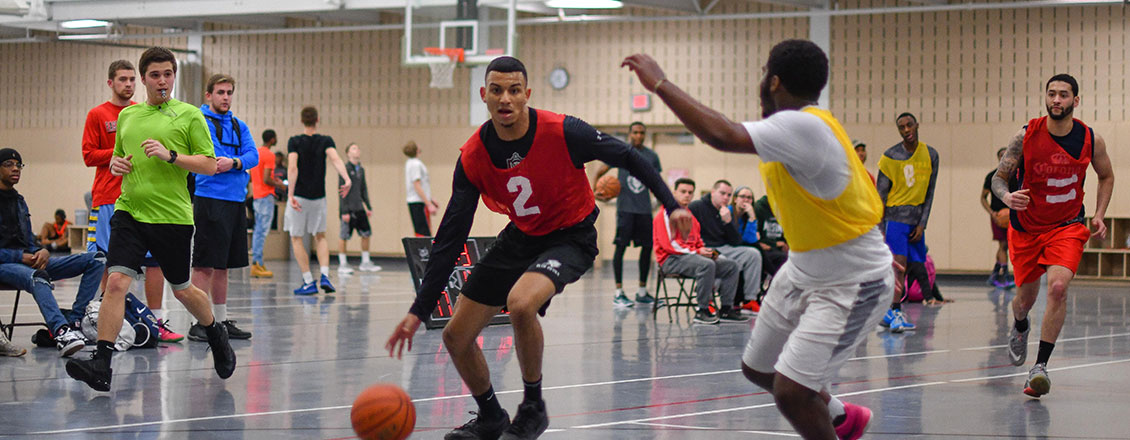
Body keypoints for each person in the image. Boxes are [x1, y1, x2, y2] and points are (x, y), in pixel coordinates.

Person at [385, 56, 690, 440]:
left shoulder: (564, 131)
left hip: (571, 235)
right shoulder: (473, 156)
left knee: (521, 302)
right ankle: (491, 416)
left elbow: (627, 156)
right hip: (521, 236)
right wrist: (418, 310)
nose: (505, 98)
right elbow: (450, 236)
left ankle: (533, 408)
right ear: (484, 95)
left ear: (527, 94)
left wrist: (672, 202)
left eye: (514, 90)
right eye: (496, 90)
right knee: (455, 336)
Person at [624, 39, 896, 440]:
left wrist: (661, 84)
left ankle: (834, 423)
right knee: (758, 368)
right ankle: (841, 418)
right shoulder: (801, 127)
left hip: (851, 283)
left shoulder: (803, 125)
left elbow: (721, 134)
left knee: (791, 392)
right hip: (804, 270)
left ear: (773, 81)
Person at [66, 47, 236, 392]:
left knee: (184, 289)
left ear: (174, 77)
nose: (162, 81)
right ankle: (102, 363)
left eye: (168, 74)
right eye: (155, 75)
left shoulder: (189, 115)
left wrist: (171, 155)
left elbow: (208, 164)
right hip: (129, 212)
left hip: (171, 217)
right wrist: (116, 165)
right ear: (144, 79)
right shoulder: (129, 116)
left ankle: (215, 331)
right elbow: (117, 158)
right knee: (115, 283)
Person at [992, 73, 1114, 398]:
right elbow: (998, 178)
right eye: (1051, 94)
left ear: (1076, 100)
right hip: (1027, 229)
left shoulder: (1091, 139)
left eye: (1063, 95)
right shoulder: (1025, 136)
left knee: (1058, 288)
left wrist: (1099, 215)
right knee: (1026, 301)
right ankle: (1019, 324)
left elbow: (1106, 176)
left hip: (1067, 226)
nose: (1056, 100)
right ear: (1045, 98)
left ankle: (1040, 368)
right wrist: (1006, 197)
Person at [80, 59, 181, 343]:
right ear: (110, 83)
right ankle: (105, 320)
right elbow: (88, 155)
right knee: (108, 264)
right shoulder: (97, 114)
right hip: (109, 199)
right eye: (122, 80)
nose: (128, 84)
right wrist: (118, 152)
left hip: (145, 200)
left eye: (131, 80)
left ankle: (157, 321)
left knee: (155, 263)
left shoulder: (142, 112)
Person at [0, 148, 102, 357]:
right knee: (37, 277)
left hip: (29, 262)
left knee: (96, 259)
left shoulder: (19, 201)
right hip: (6, 266)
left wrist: (41, 250)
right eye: (9, 164)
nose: (16, 169)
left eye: (18, 165)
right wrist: (20, 257)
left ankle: (74, 322)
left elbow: (28, 240)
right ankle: (61, 332)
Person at [187, 73, 258, 342]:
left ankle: (220, 320)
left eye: (229, 92)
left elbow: (253, 156)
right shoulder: (200, 122)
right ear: (209, 95)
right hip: (210, 199)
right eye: (220, 92)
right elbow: (212, 160)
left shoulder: (240, 125)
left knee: (224, 266)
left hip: (236, 202)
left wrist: (235, 162)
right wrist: (234, 162)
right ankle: (198, 322)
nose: (225, 97)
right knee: (205, 264)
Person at [876, 112, 939, 333]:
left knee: (913, 267)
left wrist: (923, 224)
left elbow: (929, 194)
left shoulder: (931, 155)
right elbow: (880, 196)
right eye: (901, 127)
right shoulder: (890, 156)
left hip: (916, 222)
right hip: (896, 219)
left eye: (909, 125)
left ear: (916, 125)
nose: (906, 130)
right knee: (898, 269)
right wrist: (881, 229)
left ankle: (889, 312)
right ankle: (893, 311)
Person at [656, 178, 748, 324]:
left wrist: (704, 250)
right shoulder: (666, 214)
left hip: (690, 257)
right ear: (674, 193)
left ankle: (726, 309)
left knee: (731, 265)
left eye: (690, 192)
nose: (687, 195)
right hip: (671, 259)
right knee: (706, 265)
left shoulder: (691, 216)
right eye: (683, 192)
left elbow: (697, 241)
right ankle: (702, 310)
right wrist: (698, 253)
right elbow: (670, 246)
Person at [592, 121, 663, 308]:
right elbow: (601, 170)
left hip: (645, 209)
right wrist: (595, 192)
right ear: (629, 133)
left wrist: (664, 202)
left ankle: (641, 291)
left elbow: (657, 181)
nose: (638, 136)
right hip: (625, 209)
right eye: (635, 132)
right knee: (620, 248)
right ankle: (618, 292)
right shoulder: (620, 151)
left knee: (647, 249)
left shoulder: (651, 156)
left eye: (641, 133)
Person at [286, 106, 351, 295]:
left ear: (301, 120)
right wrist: (347, 179)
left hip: (299, 197)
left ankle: (308, 281)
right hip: (319, 197)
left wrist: (290, 193)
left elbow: (292, 167)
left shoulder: (294, 141)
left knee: (297, 238)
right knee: (320, 236)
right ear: (317, 119)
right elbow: (336, 159)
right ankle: (324, 275)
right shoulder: (326, 140)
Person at [689, 179, 763, 311]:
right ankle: (708, 301)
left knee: (753, 254)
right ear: (713, 192)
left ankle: (749, 299)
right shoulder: (697, 207)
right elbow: (687, 232)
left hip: (724, 247)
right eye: (722, 193)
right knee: (722, 261)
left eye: (729, 195)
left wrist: (728, 222)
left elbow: (736, 242)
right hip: (705, 247)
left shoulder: (726, 211)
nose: (725, 197)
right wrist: (698, 248)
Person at [338, 142, 381, 274]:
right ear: (348, 153)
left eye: (358, 148)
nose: (357, 150)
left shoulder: (361, 170)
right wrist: (344, 211)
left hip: (359, 208)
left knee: (366, 234)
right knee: (344, 236)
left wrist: (368, 206)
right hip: (348, 209)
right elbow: (341, 191)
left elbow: (364, 189)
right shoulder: (344, 169)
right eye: (354, 148)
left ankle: (365, 262)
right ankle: (343, 264)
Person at [249, 129, 286, 278]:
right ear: (272, 139)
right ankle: (257, 264)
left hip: (257, 196)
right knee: (261, 232)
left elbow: (252, 178)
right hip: (266, 196)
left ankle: (259, 263)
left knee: (258, 230)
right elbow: (266, 179)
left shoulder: (255, 153)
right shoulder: (269, 155)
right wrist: (279, 185)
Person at [982, 147, 1014, 289]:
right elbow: (983, 198)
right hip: (998, 216)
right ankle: (1005, 276)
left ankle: (995, 274)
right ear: (998, 158)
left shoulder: (1015, 175)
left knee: (1006, 246)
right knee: (1003, 245)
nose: (1004, 157)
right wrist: (992, 213)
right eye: (1001, 155)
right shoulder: (991, 176)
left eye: (1006, 155)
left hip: (1012, 215)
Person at [403, 141, 439, 237]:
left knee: (422, 230)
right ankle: (422, 251)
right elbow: (417, 185)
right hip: (418, 202)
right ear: (416, 149)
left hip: (416, 202)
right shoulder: (416, 164)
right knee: (423, 232)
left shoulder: (409, 163)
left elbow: (421, 185)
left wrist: (430, 199)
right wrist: (429, 204)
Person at [754, 194, 788, 278]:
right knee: (783, 258)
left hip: (781, 247)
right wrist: (775, 244)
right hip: (766, 247)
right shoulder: (759, 207)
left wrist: (787, 243)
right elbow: (757, 236)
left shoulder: (785, 207)